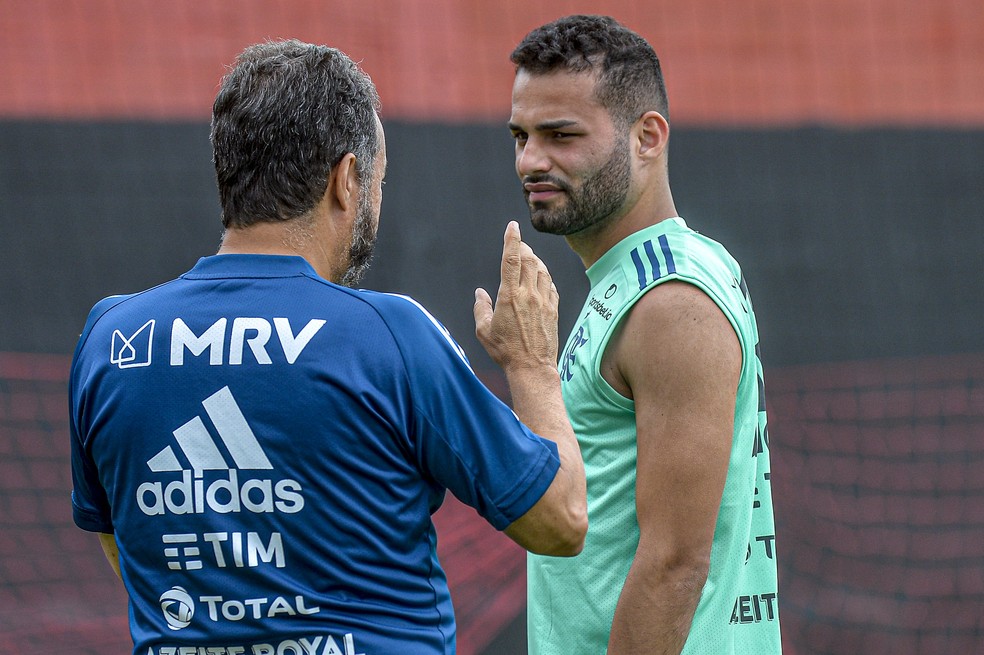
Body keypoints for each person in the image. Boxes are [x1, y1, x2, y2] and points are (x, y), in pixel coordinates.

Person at [69, 39, 586, 655]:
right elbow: (560, 520)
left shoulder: (110, 339)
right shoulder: (389, 337)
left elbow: (127, 549)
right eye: (378, 180)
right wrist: (532, 366)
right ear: (346, 181)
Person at [507, 15, 781, 654]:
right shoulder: (645, 277)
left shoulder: (670, 297)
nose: (530, 161)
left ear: (647, 137)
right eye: (520, 136)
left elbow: (675, 563)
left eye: (561, 135)